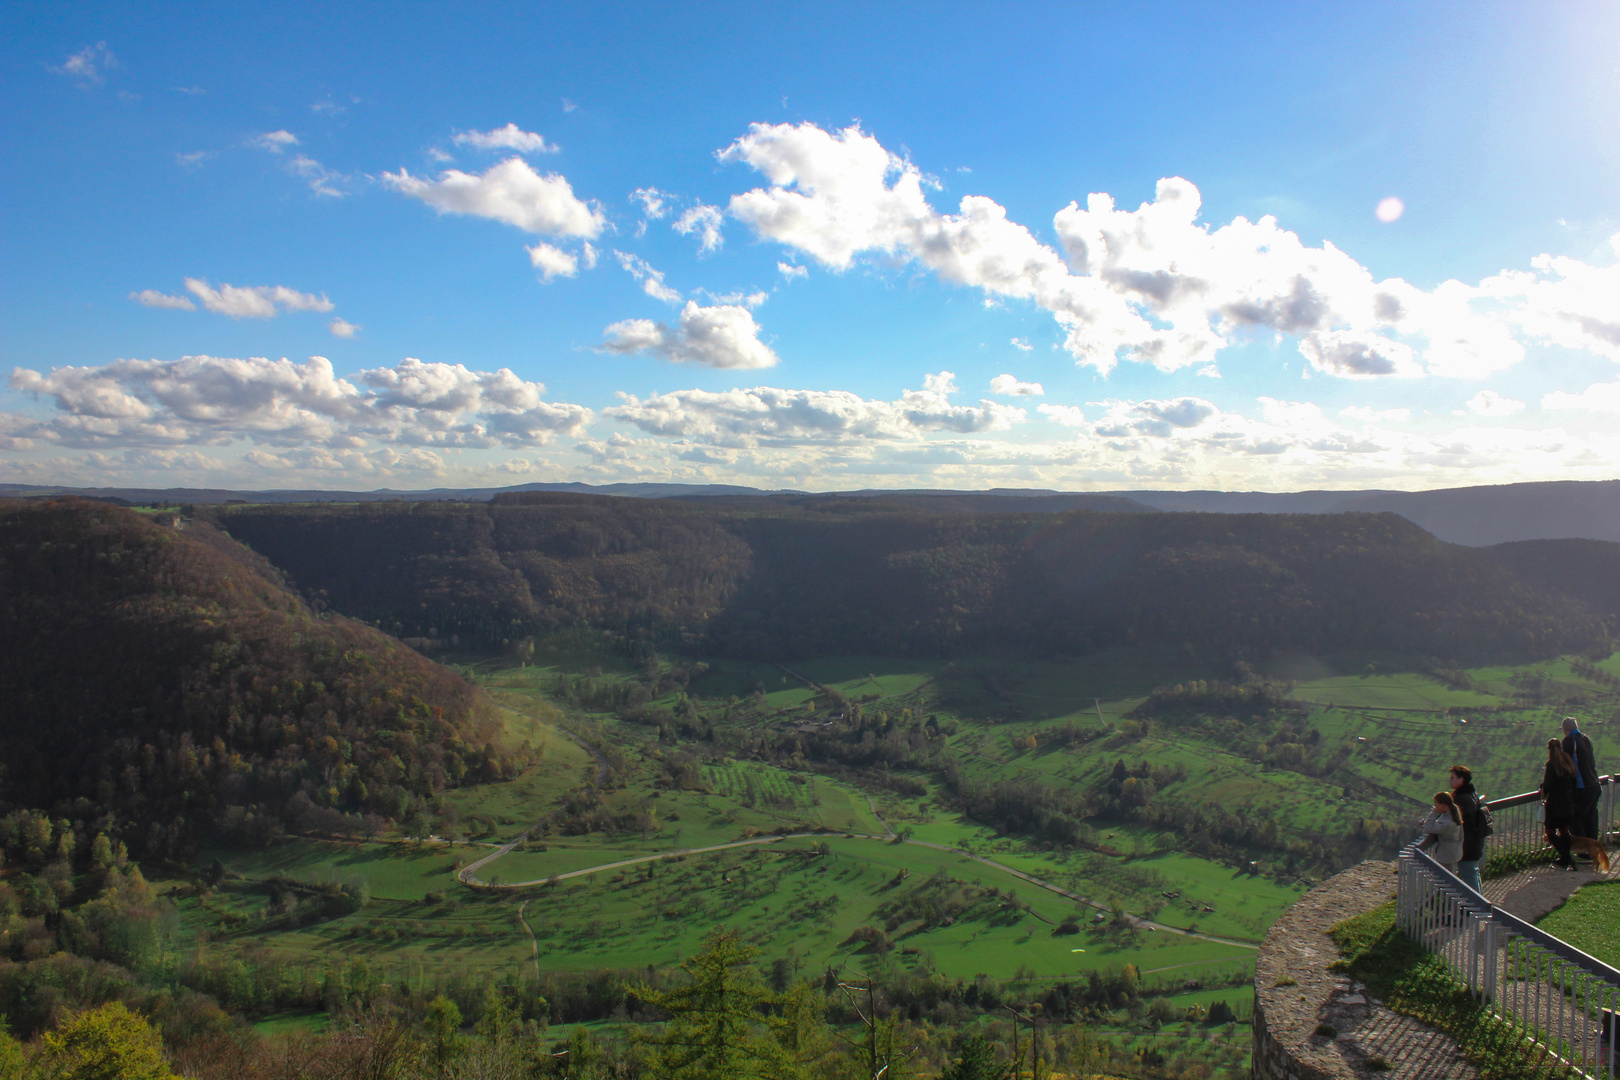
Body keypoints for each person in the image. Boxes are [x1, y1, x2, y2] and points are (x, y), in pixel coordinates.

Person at [1562, 717, 1602, 844]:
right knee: (1591, 817)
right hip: (1594, 783)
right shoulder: (1586, 739)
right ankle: (1592, 850)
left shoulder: (1569, 741)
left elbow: (1567, 766)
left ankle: (1583, 852)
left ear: (1565, 729)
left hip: (1581, 787)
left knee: (1576, 818)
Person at [1541, 738, 1580, 870]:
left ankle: (1566, 857)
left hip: (1555, 805)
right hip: (1568, 803)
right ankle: (1565, 859)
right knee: (1564, 831)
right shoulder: (1567, 762)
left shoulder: (1552, 764)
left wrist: (1542, 788)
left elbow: (1549, 784)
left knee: (1550, 832)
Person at [1448, 765, 1486, 893]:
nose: (1450, 780)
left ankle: (1477, 907)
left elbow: (1456, 821)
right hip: (1474, 841)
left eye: (1453, 777)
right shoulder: (1471, 794)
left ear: (1461, 780)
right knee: (1472, 873)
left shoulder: (1460, 799)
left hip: (1467, 843)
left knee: (1468, 873)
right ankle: (1480, 903)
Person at [1417, 791, 1464, 874]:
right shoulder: (1452, 813)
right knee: (1450, 876)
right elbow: (1437, 827)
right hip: (1452, 852)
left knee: (1447, 879)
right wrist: (1427, 825)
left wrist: (1434, 813)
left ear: (1443, 806)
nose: (1434, 807)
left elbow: (1428, 828)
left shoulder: (1448, 822)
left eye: (1436, 804)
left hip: (1446, 855)